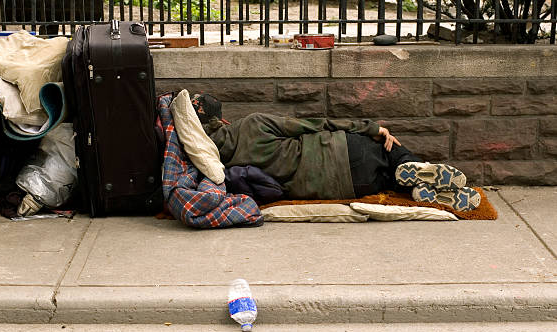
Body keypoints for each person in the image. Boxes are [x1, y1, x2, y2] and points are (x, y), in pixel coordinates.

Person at [190, 93, 480, 212]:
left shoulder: (214, 165)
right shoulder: (252, 123)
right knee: (390, 150)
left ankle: (411, 184)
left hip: (339, 186)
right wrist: (370, 127)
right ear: (222, 119)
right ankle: (414, 169)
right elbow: (315, 124)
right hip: (342, 150)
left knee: (384, 182)